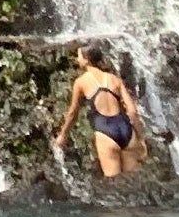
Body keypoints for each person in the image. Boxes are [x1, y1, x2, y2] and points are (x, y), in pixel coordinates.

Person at [57, 48, 142, 178]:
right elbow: (133, 111)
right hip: (127, 131)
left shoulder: (81, 82)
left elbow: (73, 112)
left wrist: (63, 135)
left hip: (105, 132)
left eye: (79, 56)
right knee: (132, 183)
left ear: (86, 60)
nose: (77, 59)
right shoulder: (114, 79)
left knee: (113, 185)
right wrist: (140, 138)